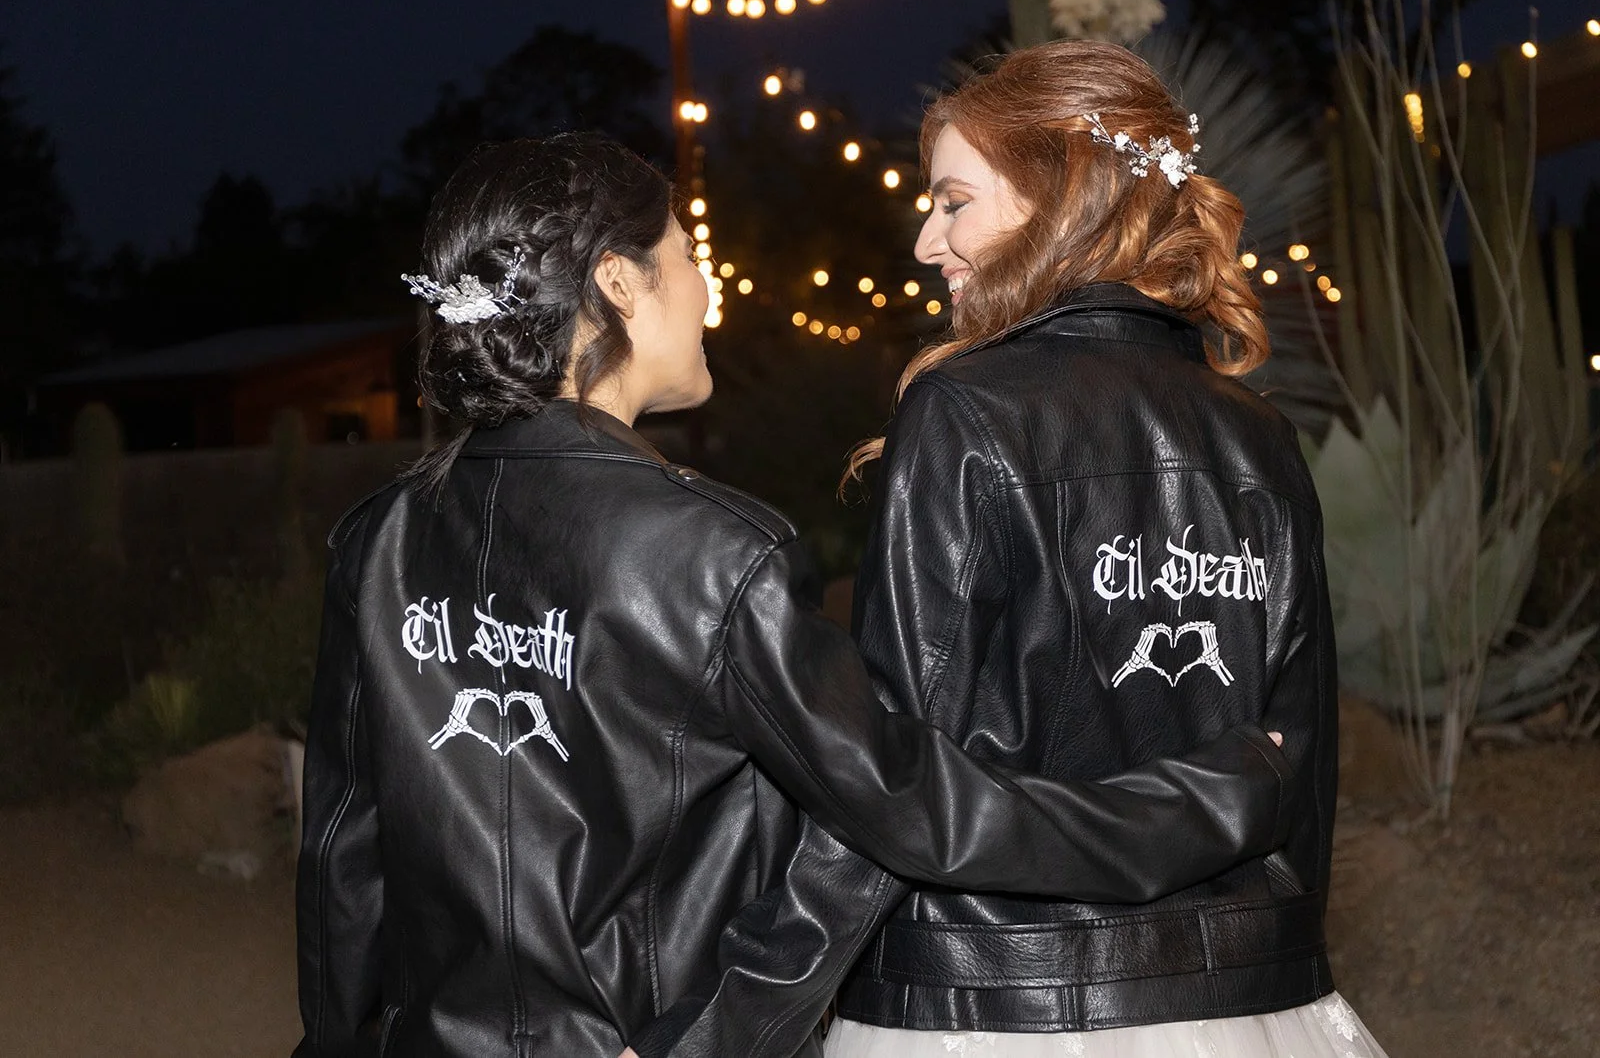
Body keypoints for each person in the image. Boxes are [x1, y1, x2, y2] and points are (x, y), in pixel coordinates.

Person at [291, 132, 1295, 1058]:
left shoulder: (375, 540)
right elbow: (903, 811)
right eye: (685, 255)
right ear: (616, 282)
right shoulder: (709, 554)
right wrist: (1217, 796)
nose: (706, 291)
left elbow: (345, 860)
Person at [815, 40, 1387, 1058]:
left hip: (990, 1002)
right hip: (1242, 995)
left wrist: (741, 1003)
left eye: (952, 201)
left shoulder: (961, 413)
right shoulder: (1259, 434)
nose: (922, 240)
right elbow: (1299, 758)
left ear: (1057, 196)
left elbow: (891, 775)